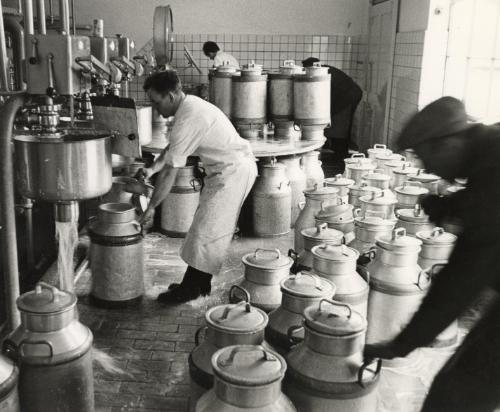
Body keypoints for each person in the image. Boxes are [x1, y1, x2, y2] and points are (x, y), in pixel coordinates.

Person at [364, 96, 500, 411]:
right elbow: (483, 205)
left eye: (427, 158)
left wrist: (403, 343)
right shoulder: (490, 148)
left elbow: (461, 280)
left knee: (458, 393)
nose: (429, 169)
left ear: (449, 142)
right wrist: (450, 208)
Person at [139, 70, 257, 304]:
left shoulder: (190, 115)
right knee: (205, 229)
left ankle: (192, 288)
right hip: (224, 171)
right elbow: (172, 149)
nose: (155, 108)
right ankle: (196, 284)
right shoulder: (187, 108)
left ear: (171, 96)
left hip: (233, 172)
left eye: (156, 101)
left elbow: (171, 171)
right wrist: (151, 170)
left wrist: (151, 207)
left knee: (208, 231)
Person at [302, 57, 362, 158]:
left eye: (306, 69)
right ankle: (337, 150)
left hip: (349, 96)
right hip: (347, 95)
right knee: (335, 121)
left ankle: (340, 155)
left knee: (339, 124)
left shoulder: (321, 73)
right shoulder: (323, 70)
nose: (306, 71)